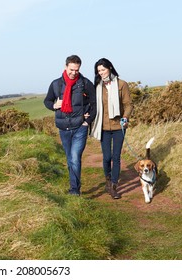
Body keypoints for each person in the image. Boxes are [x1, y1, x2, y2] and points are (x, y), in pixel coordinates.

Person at [44, 55, 96, 196]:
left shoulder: (85, 83)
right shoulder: (56, 84)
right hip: (63, 128)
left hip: (80, 127)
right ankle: (74, 185)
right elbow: (47, 101)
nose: (74, 73)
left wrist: (88, 120)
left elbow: (94, 103)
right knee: (69, 159)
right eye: (71, 69)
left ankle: (74, 190)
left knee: (74, 158)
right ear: (66, 66)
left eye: (77, 70)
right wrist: (54, 105)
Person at [90, 58, 133, 199]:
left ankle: (114, 185)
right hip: (103, 127)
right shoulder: (97, 86)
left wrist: (125, 117)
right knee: (107, 157)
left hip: (118, 126)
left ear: (110, 68)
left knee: (116, 157)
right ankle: (108, 180)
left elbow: (128, 105)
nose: (101, 73)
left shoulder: (122, 84)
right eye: (99, 71)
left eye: (103, 69)